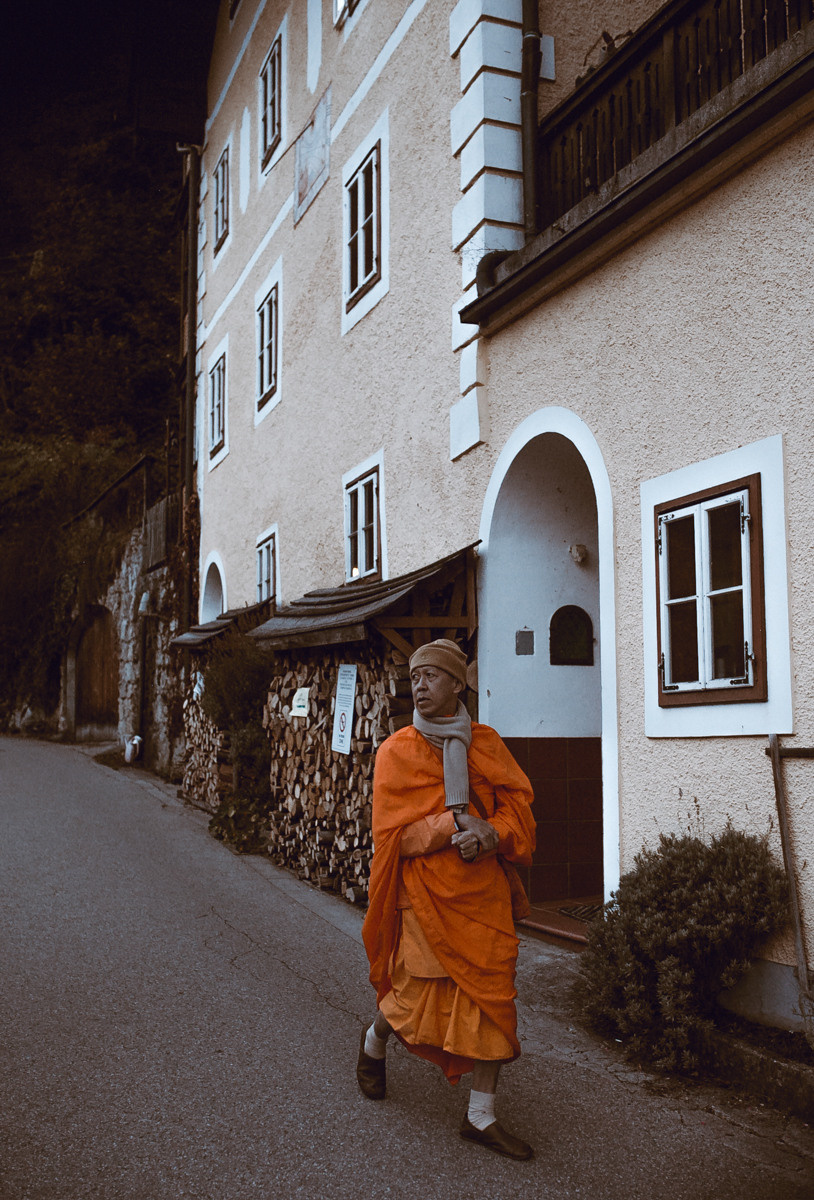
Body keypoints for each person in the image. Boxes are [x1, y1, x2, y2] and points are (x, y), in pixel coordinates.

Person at [357, 638, 536, 1159]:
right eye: (415, 677)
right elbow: (393, 840)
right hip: (425, 896)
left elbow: (517, 812)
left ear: (458, 684)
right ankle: (374, 1042)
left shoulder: (487, 744)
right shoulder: (396, 752)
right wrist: (450, 823)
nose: (421, 685)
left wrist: (491, 834)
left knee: (492, 995)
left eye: (433, 676)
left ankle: (481, 1117)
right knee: (416, 998)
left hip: (482, 896)